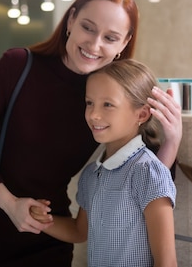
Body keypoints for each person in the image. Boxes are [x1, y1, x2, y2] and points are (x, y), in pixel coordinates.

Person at [0, 0, 183, 267]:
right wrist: (10, 204)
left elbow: (144, 177)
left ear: (124, 43)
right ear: (71, 20)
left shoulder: (111, 94)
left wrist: (172, 140)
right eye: (88, 28)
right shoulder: (18, 65)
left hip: (51, 237)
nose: (94, 45)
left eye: (110, 37)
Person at [30, 59, 177, 267]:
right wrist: (41, 220)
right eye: (89, 103)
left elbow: (167, 263)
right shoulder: (91, 174)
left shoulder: (148, 172)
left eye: (107, 104)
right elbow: (79, 231)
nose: (93, 114)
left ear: (142, 114)